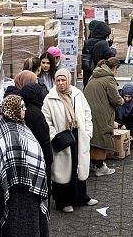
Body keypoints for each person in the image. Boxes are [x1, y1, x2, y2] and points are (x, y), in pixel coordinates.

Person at [0, 95, 50, 236]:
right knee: (21, 223)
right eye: (22, 107)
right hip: (21, 188)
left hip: (23, 184)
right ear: (13, 110)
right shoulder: (11, 132)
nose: (25, 110)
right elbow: (10, 159)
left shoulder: (9, 124)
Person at [41, 69, 97, 213]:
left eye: (63, 80)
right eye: (58, 80)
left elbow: (87, 113)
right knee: (64, 170)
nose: (60, 83)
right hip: (62, 138)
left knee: (79, 166)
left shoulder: (77, 94)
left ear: (68, 80)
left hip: (78, 135)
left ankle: (81, 197)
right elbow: (46, 122)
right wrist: (55, 137)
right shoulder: (50, 98)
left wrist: (88, 133)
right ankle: (63, 202)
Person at [83, 58, 124, 177]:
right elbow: (116, 100)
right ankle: (100, 166)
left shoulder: (94, 75)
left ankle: (92, 163)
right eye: (117, 70)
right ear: (114, 68)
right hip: (101, 112)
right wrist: (122, 100)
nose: (116, 72)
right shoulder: (108, 79)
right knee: (101, 136)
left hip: (88, 110)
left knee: (92, 136)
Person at [19, 79, 54, 182]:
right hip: (39, 156)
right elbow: (44, 139)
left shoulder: (21, 109)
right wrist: (49, 157)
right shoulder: (36, 114)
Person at [82, 21, 116, 86]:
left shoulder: (87, 42)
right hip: (98, 71)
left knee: (88, 88)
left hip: (87, 71)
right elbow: (110, 55)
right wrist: (113, 50)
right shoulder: (103, 43)